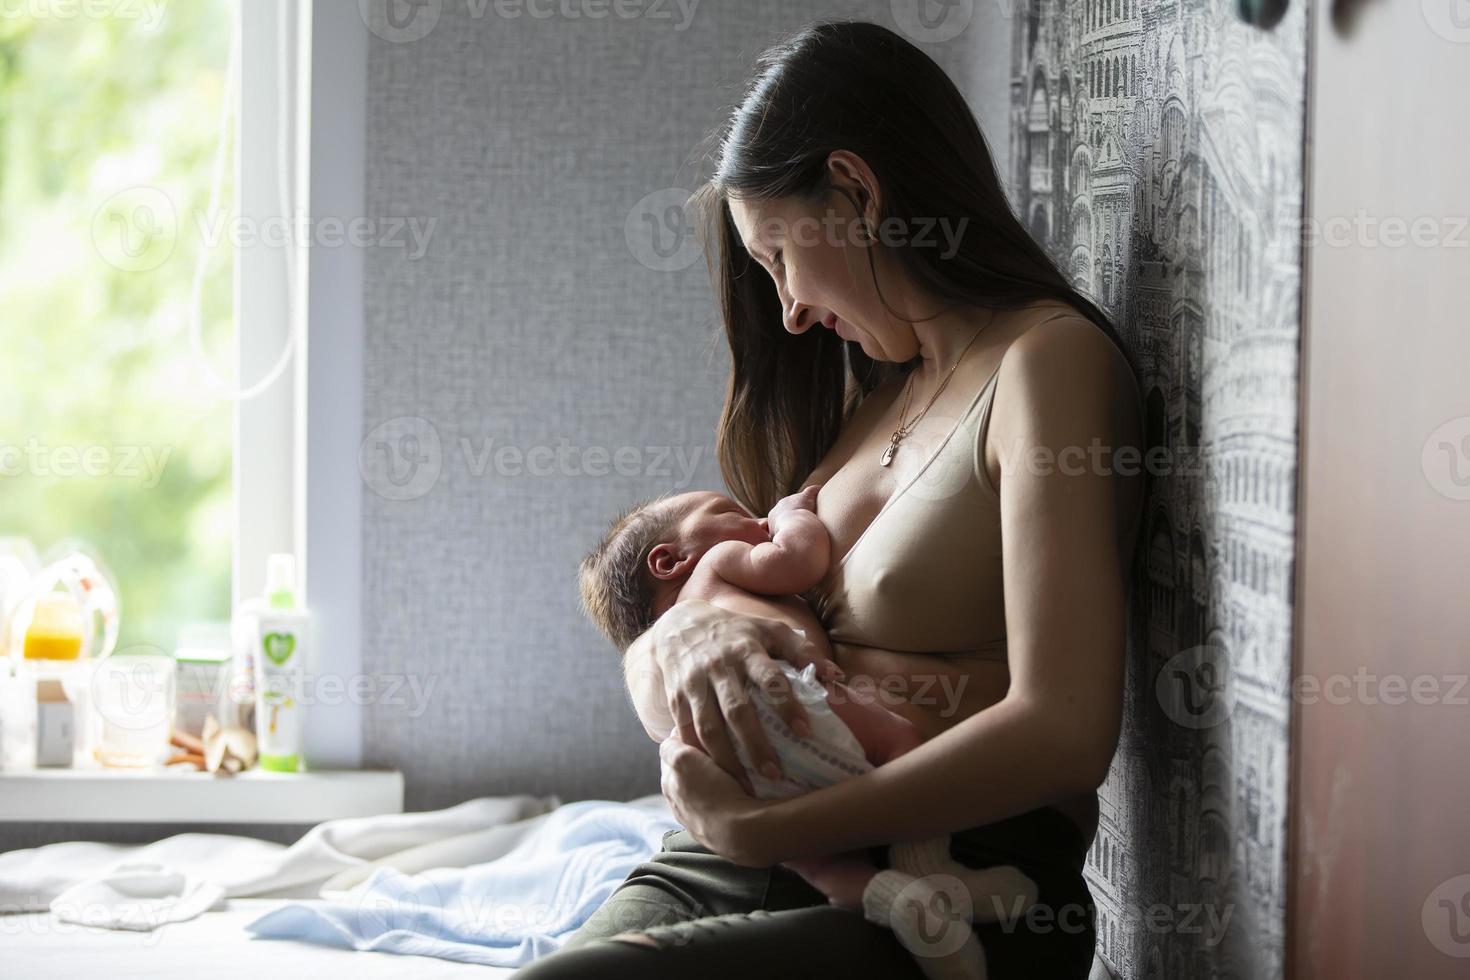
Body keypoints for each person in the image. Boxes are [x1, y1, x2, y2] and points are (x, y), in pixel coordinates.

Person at [520, 18, 1143, 980]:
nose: (790, 312)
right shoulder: (870, 400)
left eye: (778, 257)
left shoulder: (1042, 365)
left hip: (954, 886)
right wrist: (674, 646)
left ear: (855, 192)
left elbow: (1064, 734)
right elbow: (687, 635)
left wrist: (773, 832)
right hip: (734, 855)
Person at [576, 483, 1039, 979]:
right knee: (898, 740)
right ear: (670, 561)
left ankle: (898, 903)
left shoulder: (676, 653)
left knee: (822, 866)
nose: (755, 521)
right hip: (792, 697)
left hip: (739, 774)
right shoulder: (722, 561)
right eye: (731, 511)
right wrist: (788, 514)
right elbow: (799, 559)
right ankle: (927, 868)